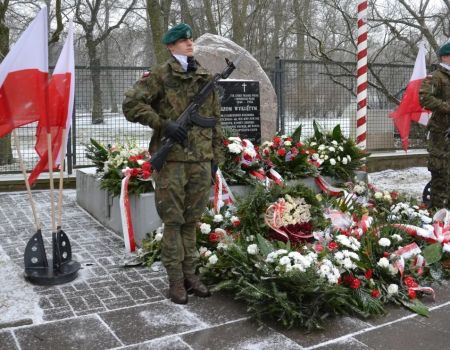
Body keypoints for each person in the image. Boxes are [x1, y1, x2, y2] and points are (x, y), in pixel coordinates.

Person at [122, 23, 224, 304]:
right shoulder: (160, 75)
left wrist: (217, 158)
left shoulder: (204, 75)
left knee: (192, 221)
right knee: (174, 222)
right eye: (183, 40)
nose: (189, 43)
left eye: (190, 39)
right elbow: (131, 105)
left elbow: (215, 120)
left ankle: (191, 274)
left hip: (201, 161)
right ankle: (175, 281)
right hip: (173, 162)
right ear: (170, 46)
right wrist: (163, 125)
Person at [419, 42, 450, 209]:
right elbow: (425, 98)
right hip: (441, 135)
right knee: (441, 177)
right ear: (445, 56)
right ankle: (437, 217)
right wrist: (447, 107)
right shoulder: (435, 77)